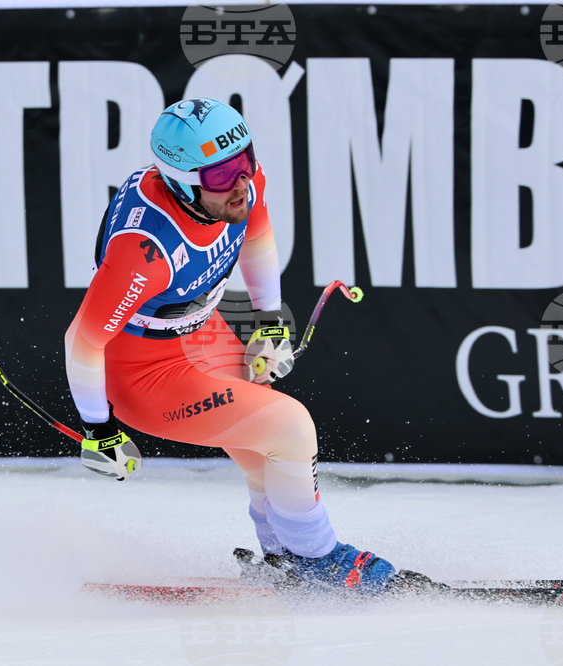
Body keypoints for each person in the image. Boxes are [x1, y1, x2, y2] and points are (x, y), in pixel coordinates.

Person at [64, 98, 396, 592]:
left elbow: (256, 236)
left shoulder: (237, 186)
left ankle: (284, 555)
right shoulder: (144, 249)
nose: (242, 183)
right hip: (142, 373)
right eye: (222, 176)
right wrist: (99, 431)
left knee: (267, 454)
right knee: (292, 429)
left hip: (200, 331)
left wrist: (270, 321)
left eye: (244, 162)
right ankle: (318, 559)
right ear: (181, 181)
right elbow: (82, 341)